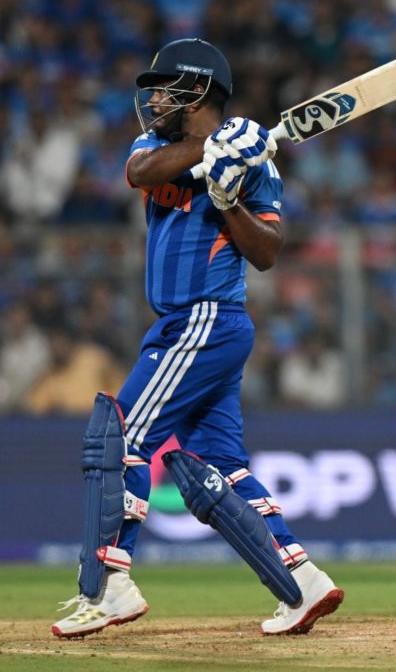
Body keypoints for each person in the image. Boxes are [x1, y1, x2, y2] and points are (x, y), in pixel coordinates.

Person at [52, 38, 343, 639]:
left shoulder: (257, 162)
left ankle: (111, 586)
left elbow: (265, 252)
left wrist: (227, 196)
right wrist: (211, 150)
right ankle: (301, 581)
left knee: (119, 437)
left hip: (206, 318)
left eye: (164, 86)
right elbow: (138, 173)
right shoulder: (159, 145)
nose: (153, 98)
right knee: (222, 467)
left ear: (198, 89)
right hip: (189, 327)